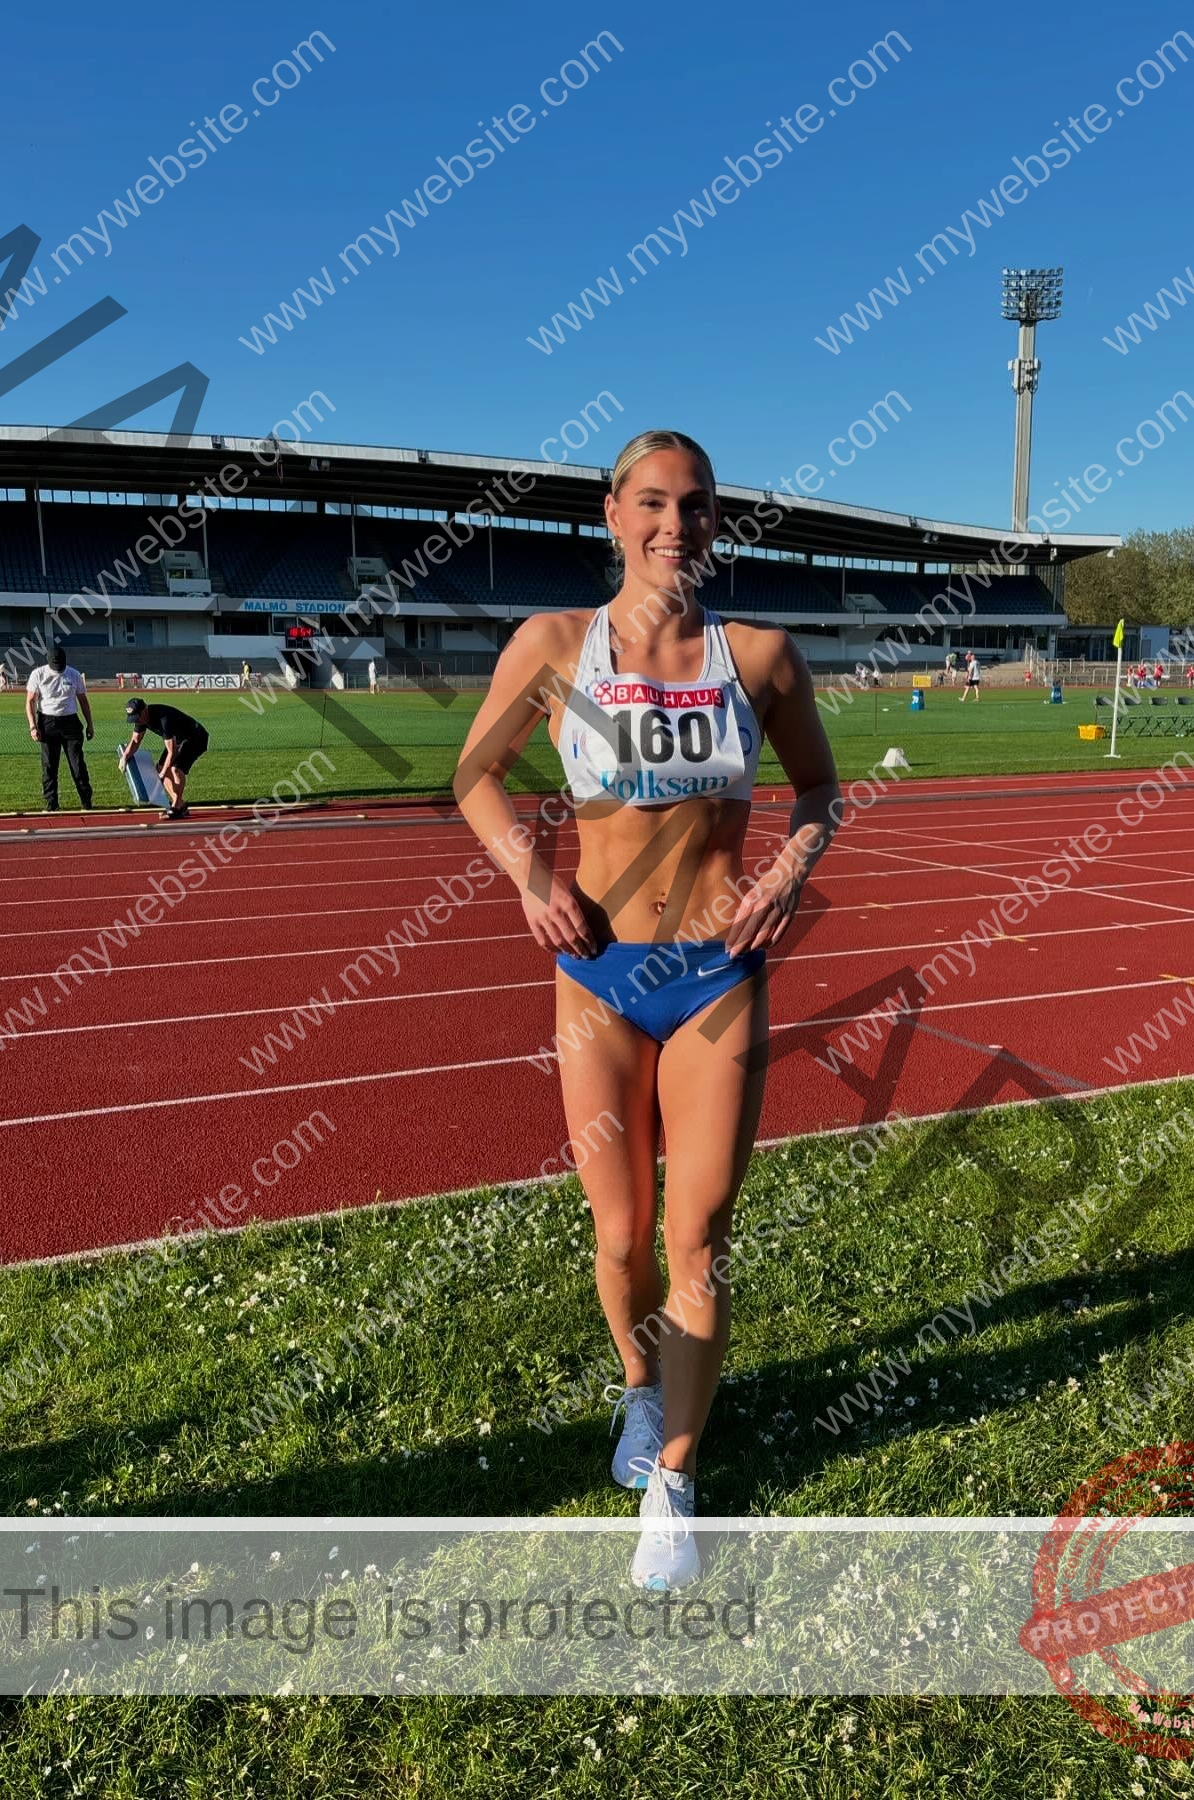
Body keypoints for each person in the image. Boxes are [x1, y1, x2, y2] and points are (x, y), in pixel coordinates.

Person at [453, 430, 840, 1591]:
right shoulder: (554, 644)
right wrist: (533, 873)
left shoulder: (760, 653)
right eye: (655, 505)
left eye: (699, 507)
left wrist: (787, 872)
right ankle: (638, 1386)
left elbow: (820, 788)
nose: (678, 527)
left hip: (718, 972)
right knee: (619, 1235)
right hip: (599, 975)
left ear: (718, 521)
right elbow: (475, 775)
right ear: (612, 514)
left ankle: (673, 1481)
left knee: (701, 1236)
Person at [25, 646, 94, 812]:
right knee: (49, 766)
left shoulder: (74, 674)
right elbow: (30, 702)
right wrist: (33, 726)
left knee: (78, 765)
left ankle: (87, 802)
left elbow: (83, 701)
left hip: (70, 722)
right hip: (47, 723)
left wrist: (90, 724)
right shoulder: (38, 674)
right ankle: (51, 804)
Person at [121, 696, 210, 819]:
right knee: (160, 767)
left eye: (138, 717)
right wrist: (124, 757)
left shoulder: (164, 718)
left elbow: (172, 752)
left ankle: (176, 807)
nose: (137, 721)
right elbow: (135, 741)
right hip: (179, 739)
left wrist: (162, 775)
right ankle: (180, 805)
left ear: (145, 710)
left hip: (196, 737)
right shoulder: (141, 720)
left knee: (175, 769)